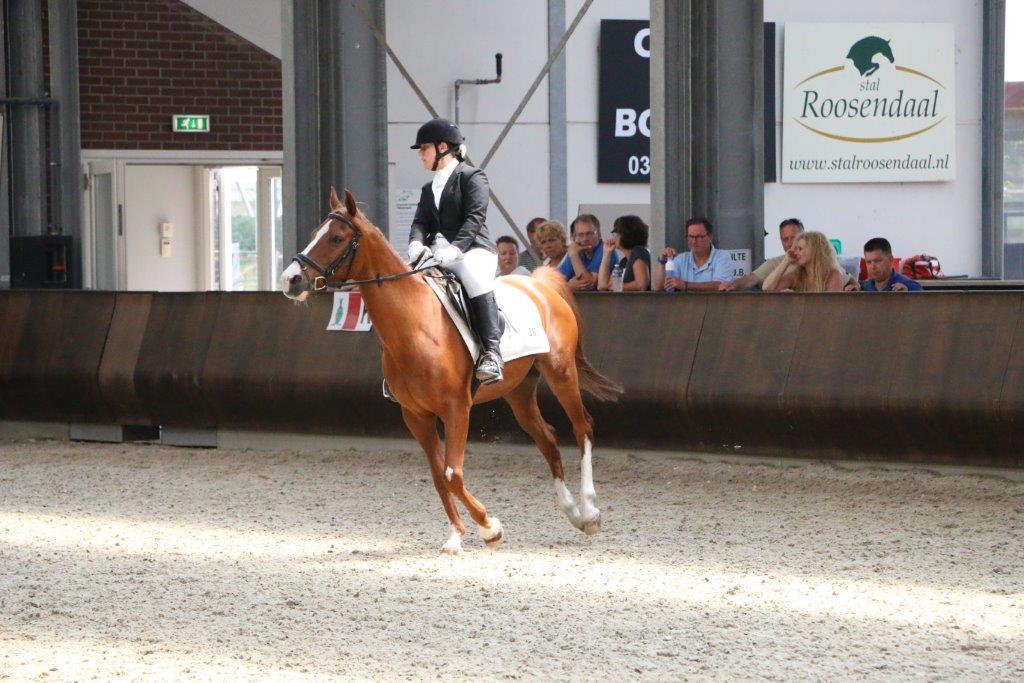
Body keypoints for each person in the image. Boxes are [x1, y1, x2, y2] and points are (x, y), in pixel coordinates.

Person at [407, 117, 504, 384]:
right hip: (439, 253)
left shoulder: (472, 177)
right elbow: (420, 222)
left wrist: (455, 248)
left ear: (443, 147)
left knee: (472, 275)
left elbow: (475, 217)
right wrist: (416, 243)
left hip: (474, 250)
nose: (421, 155)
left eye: (424, 148)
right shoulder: (429, 189)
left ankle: (491, 354)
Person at [724, 218, 859, 291]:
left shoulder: (832, 271)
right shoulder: (796, 273)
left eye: (799, 247)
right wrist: (786, 261)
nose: (791, 245)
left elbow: (849, 282)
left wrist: (851, 288)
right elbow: (764, 286)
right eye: (785, 239)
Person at [652, 217, 734, 292]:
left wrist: (686, 285)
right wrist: (662, 261)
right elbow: (659, 288)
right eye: (691, 237)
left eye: (699, 237)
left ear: (710, 237)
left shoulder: (722, 257)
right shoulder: (681, 259)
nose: (694, 241)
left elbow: (721, 286)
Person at [762, 230, 846, 292]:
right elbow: (766, 288)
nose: (795, 252)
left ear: (814, 251)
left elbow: (831, 306)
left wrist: (797, 299)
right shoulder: (797, 275)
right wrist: (786, 261)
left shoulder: (833, 274)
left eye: (800, 249)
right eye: (796, 249)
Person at [597, 215, 651, 291]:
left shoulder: (638, 251)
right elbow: (602, 286)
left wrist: (618, 287)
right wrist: (607, 253)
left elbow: (641, 284)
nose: (613, 235)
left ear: (625, 234)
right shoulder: (624, 262)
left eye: (616, 232)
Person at [558, 214, 604, 291]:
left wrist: (573, 255)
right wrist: (568, 286)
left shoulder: (605, 250)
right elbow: (554, 281)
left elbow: (588, 284)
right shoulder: (577, 250)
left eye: (589, 234)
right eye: (580, 235)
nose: (585, 239)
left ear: (599, 234)